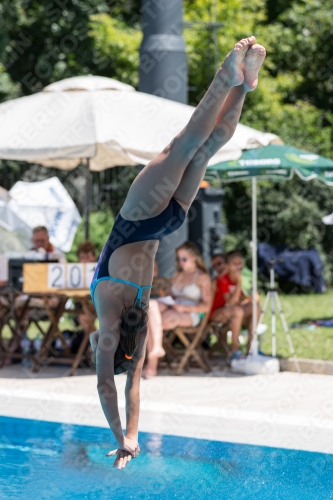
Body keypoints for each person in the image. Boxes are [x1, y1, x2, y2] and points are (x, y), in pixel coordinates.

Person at [89, 37, 266, 469]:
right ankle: (227, 78)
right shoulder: (109, 324)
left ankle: (243, 87)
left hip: (168, 222)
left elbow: (130, 384)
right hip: (137, 220)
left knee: (206, 149)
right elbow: (108, 388)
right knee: (185, 144)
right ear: (106, 348)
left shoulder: (132, 334)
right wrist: (120, 432)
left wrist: (129, 438)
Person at [142, 241, 212, 378]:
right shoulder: (177, 276)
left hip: (191, 313)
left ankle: (150, 367)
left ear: (194, 257)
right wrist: (166, 299)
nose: (181, 262)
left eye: (184, 258)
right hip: (174, 307)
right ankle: (156, 349)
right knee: (150, 306)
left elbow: (207, 306)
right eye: (179, 259)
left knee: (151, 322)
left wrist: (184, 307)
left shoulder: (202, 277)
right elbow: (172, 298)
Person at [209, 250, 261, 359]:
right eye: (234, 264)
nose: (238, 266)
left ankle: (252, 347)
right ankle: (234, 350)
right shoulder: (223, 279)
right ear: (228, 266)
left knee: (255, 308)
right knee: (238, 311)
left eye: (239, 263)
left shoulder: (244, 277)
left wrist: (248, 293)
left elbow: (255, 298)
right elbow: (231, 302)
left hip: (232, 310)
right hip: (216, 313)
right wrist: (238, 283)